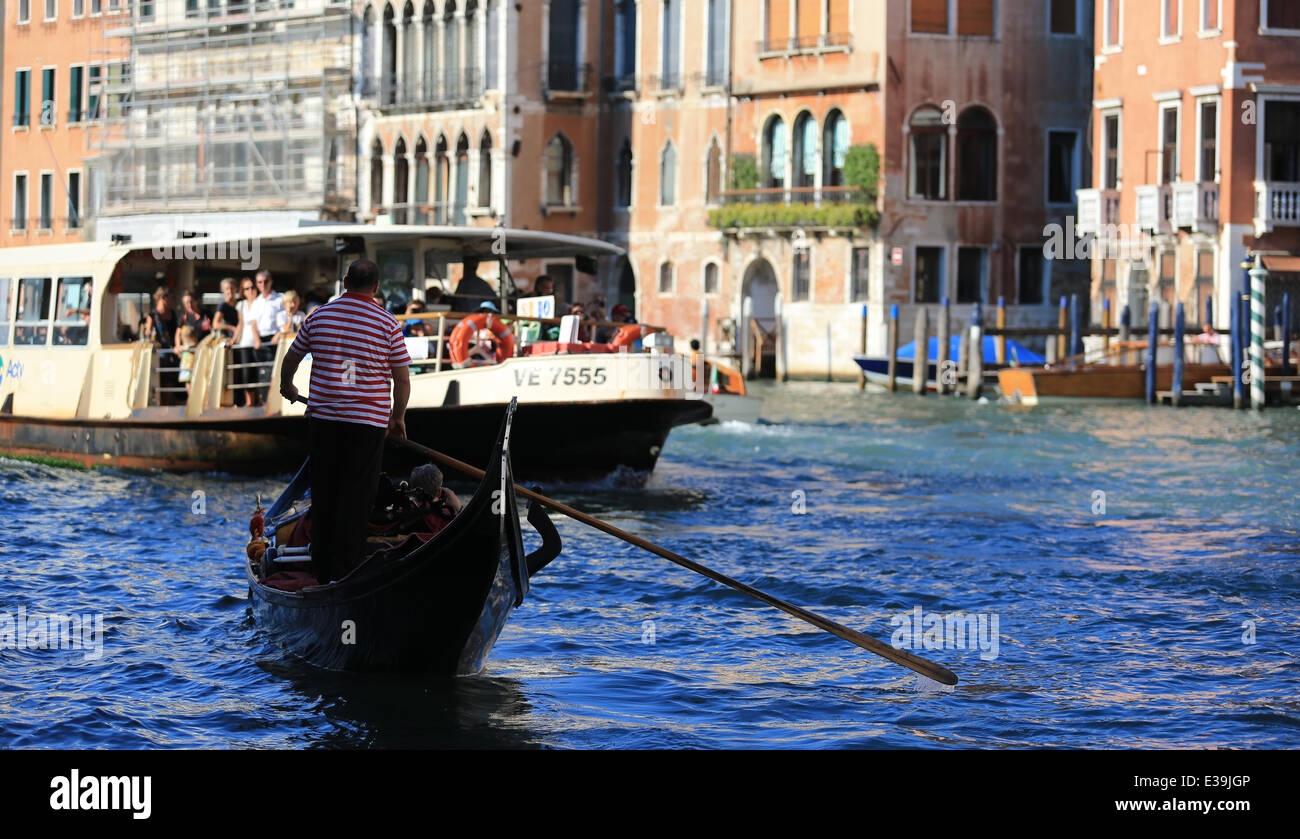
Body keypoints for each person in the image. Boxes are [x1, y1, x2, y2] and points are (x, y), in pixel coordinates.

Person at [278, 259, 412, 585]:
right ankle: (348, 572)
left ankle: (323, 571)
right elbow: (402, 379)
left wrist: (288, 387)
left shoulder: (319, 317)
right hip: (368, 425)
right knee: (357, 497)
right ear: (376, 287)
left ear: (345, 282)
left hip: (325, 421)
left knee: (325, 493)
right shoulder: (388, 323)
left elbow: (292, 358)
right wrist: (398, 417)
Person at [253, 269, 283, 403]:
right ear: (257, 284)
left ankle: (275, 401)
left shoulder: (279, 299)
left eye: (266, 281)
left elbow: (286, 320)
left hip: (275, 340)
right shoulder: (256, 302)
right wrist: (256, 339)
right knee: (262, 371)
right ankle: (264, 400)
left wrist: (278, 335)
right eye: (260, 282)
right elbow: (253, 323)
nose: (263, 284)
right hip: (261, 340)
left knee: (274, 371)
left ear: (271, 282)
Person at [233, 277, 262, 408]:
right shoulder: (241, 304)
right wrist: (233, 339)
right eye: (247, 288)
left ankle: (259, 400)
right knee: (246, 372)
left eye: (252, 287)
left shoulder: (261, 302)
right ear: (243, 291)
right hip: (245, 342)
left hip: (258, 340)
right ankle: (249, 401)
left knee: (258, 371)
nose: (250, 290)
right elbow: (241, 323)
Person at [212, 278, 241, 343]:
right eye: (227, 289)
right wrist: (232, 328)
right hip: (230, 338)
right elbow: (215, 324)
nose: (230, 291)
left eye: (232, 288)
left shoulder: (240, 303)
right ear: (223, 291)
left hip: (241, 336)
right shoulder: (223, 305)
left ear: (236, 289)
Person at [177, 325, 200, 391]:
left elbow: (192, 346)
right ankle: (190, 399)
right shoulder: (184, 346)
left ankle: (192, 399)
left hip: (191, 367)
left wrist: (185, 348)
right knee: (188, 384)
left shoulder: (193, 346)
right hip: (186, 368)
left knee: (191, 384)